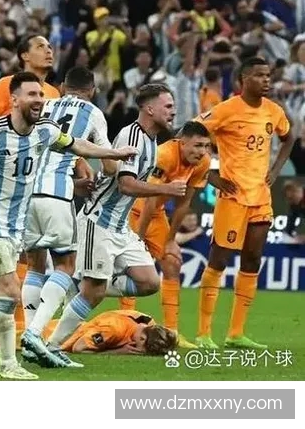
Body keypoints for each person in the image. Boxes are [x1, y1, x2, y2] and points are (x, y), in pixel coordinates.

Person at [0, 71, 137, 379]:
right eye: (32, 94)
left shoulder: (45, 129)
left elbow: (78, 145)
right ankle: (11, 362)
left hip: (16, 225)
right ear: (14, 99)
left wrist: (115, 152)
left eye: (41, 94)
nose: (39, 99)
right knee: (12, 292)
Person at [44, 83, 187, 367]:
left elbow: (116, 178)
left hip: (121, 228)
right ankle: (51, 346)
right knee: (94, 294)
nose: (173, 111)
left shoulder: (151, 142)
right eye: (168, 106)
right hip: (99, 223)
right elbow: (126, 185)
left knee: (149, 282)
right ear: (150, 109)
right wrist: (167, 189)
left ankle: (82, 281)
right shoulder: (132, 136)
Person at [20, 66, 118, 368]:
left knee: (35, 264)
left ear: (62, 87)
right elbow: (110, 165)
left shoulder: (45, 104)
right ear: (93, 91)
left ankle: (29, 339)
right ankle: (35, 333)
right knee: (65, 265)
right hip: (57, 194)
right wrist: (97, 175)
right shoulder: (92, 113)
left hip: (27, 194)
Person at [195, 57, 295, 350]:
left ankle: (236, 333)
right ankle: (203, 333)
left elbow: (288, 138)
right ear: (243, 79)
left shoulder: (274, 111)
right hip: (232, 197)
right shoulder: (226, 109)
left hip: (260, 197)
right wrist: (209, 173)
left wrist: (275, 170)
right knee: (219, 260)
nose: (267, 80)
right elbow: (188, 134)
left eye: (269, 75)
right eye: (260, 75)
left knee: (252, 259)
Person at [119, 121, 212, 349]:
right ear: (182, 142)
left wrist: (170, 240)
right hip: (130, 211)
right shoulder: (164, 155)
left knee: (172, 262)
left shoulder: (203, 163)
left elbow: (184, 202)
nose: (202, 151)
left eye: (206, 146)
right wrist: (138, 239)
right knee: (130, 268)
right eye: (197, 145)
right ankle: (127, 327)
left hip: (156, 214)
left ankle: (172, 333)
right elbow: (150, 198)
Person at [0, 305, 177, 357]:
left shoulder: (143, 321)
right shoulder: (115, 330)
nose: (135, 348)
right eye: (139, 345)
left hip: (56, 326)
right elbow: (81, 348)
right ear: (143, 335)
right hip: (50, 338)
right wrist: (119, 352)